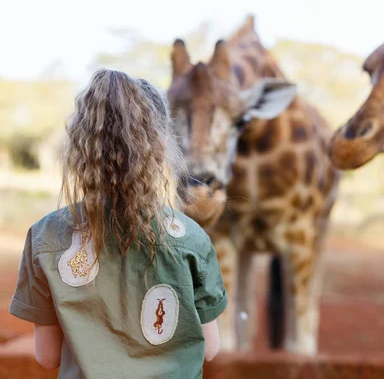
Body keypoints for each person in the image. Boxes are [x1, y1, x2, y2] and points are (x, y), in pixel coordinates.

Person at [9, 69, 227, 378]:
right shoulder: (191, 238)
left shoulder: (46, 237)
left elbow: (47, 356)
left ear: (81, 145)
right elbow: (210, 348)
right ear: (161, 145)